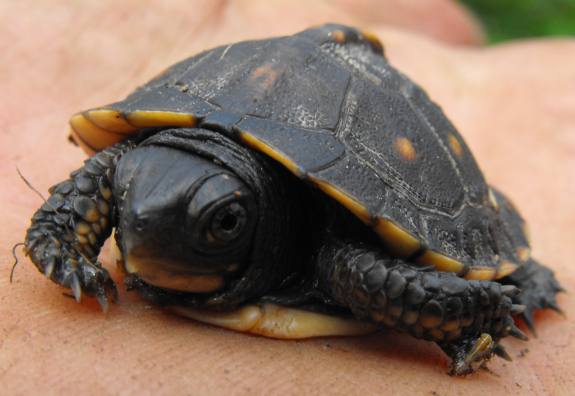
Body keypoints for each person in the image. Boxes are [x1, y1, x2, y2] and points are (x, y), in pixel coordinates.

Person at [2, 0, 573, 394]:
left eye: (219, 223)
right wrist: (59, 234)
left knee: (370, 277)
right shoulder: (134, 168)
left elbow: (398, 280)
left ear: (254, 222)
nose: (142, 227)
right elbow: (116, 164)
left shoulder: (337, 259)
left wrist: (473, 310)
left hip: (347, 204)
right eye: (129, 206)